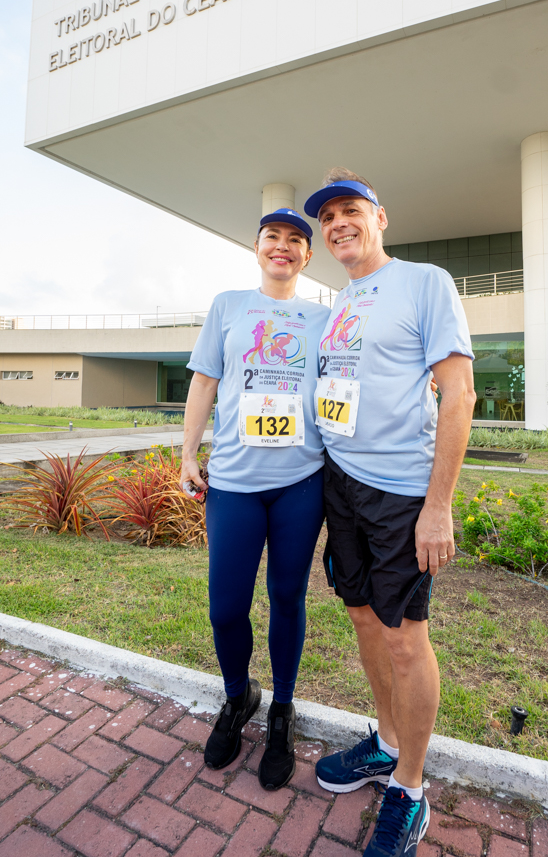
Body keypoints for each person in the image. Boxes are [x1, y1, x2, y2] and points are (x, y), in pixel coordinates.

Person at [304, 169, 476, 856]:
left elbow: (457, 393)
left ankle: (409, 786)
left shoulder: (423, 281)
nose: (337, 223)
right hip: (339, 484)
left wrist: (438, 507)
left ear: (380, 219)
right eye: (327, 218)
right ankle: (385, 740)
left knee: (405, 637)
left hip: (400, 495)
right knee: (361, 617)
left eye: (350, 210)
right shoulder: (340, 302)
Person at [180, 207, 330, 791]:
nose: (284, 247)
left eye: (296, 240)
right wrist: (188, 453)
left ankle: (283, 712)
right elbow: (204, 381)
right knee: (225, 607)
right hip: (236, 484)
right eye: (274, 237)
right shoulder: (229, 306)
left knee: (287, 599)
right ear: (257, 245)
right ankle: (240, 696)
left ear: (307, 255)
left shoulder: (324, 316)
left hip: (300, 482)